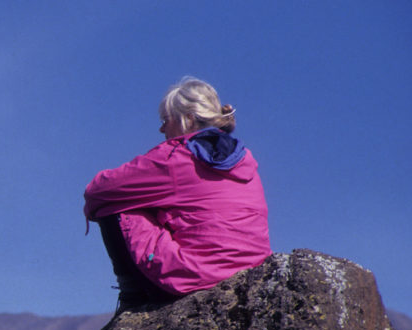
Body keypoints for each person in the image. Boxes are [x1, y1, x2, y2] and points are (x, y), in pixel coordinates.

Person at [84, 77, 271, 312]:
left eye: (166, 120)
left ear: (188, 119)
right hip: (252, 270)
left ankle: (132, 299)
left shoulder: (176, 157)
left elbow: (98, 190)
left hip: (199, 276)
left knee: (118, 203)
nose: (162, 129)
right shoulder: (245, 159)